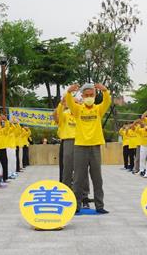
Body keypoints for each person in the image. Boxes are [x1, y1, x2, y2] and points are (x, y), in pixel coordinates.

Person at [66, 82, 111, 214]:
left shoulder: (98, 109)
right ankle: (76, 206)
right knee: (79, 178)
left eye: (91, 95)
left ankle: (99, 205)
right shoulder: (78, 110)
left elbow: (107, 102)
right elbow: (69, 103)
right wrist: (69, 92)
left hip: (95, 146)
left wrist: (105, 91)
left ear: (95, 95)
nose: (89, 97)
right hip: (80, 146)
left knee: (97, 178)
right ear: (83, 96)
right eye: (86, 95)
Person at [54, 97, 77, 189]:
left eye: (76, 102)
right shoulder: (65, 114)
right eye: (72, 102)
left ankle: (81, 192)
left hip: (81, 142)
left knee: (80, 168)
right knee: (66, 167)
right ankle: (65, 188)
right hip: (68, 141)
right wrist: (61, 104)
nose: (75, 104)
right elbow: (56, 115)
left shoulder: (80, 114)